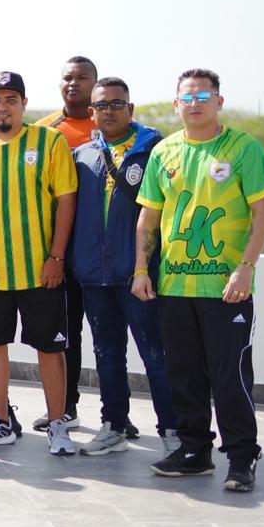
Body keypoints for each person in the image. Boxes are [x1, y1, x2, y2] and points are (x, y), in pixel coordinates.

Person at [135, 68, 264, 492]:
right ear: (176, 104)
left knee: (229, 376)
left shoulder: (243, 148)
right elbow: (148, 218)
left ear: (219, 102)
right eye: (187, 97)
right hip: (175, 286)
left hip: (226, 288)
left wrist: (245, 268)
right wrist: (141, 268)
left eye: (204, 95)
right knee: (184, 373)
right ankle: (194, 450)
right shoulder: (164, 152)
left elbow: (262, 214)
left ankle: (242, 456)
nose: (195, 103)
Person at [0, 71, 79, 455]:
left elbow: (67, 201)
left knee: (50, 348)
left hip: (41, 271)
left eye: (11, 99)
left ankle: (58, 425)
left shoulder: (49, 140)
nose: (2, 106)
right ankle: (0, 422)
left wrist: (57, 256)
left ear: (24, 103)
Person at [69, 77, 178, 456]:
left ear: (130, 110)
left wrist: (145, 265)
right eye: (102, 106)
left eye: (117, 104)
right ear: (91, 112)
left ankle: (172, 430)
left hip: (138, 275)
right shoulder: (81, 156)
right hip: (94, 277)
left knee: (156, 355)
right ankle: (114, 425)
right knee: (107, 354)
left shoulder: (156, 152)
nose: (109, 111)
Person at [33, 55, 99, 431]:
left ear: (95, 81)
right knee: (67, 331)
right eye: (67, 78)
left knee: (111, 336)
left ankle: (116, 417)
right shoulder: (44, 130)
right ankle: (67, 406)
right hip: (62, 250)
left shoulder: (112, 124)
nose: (73, 84)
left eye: (82, 78)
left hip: (107, 252)